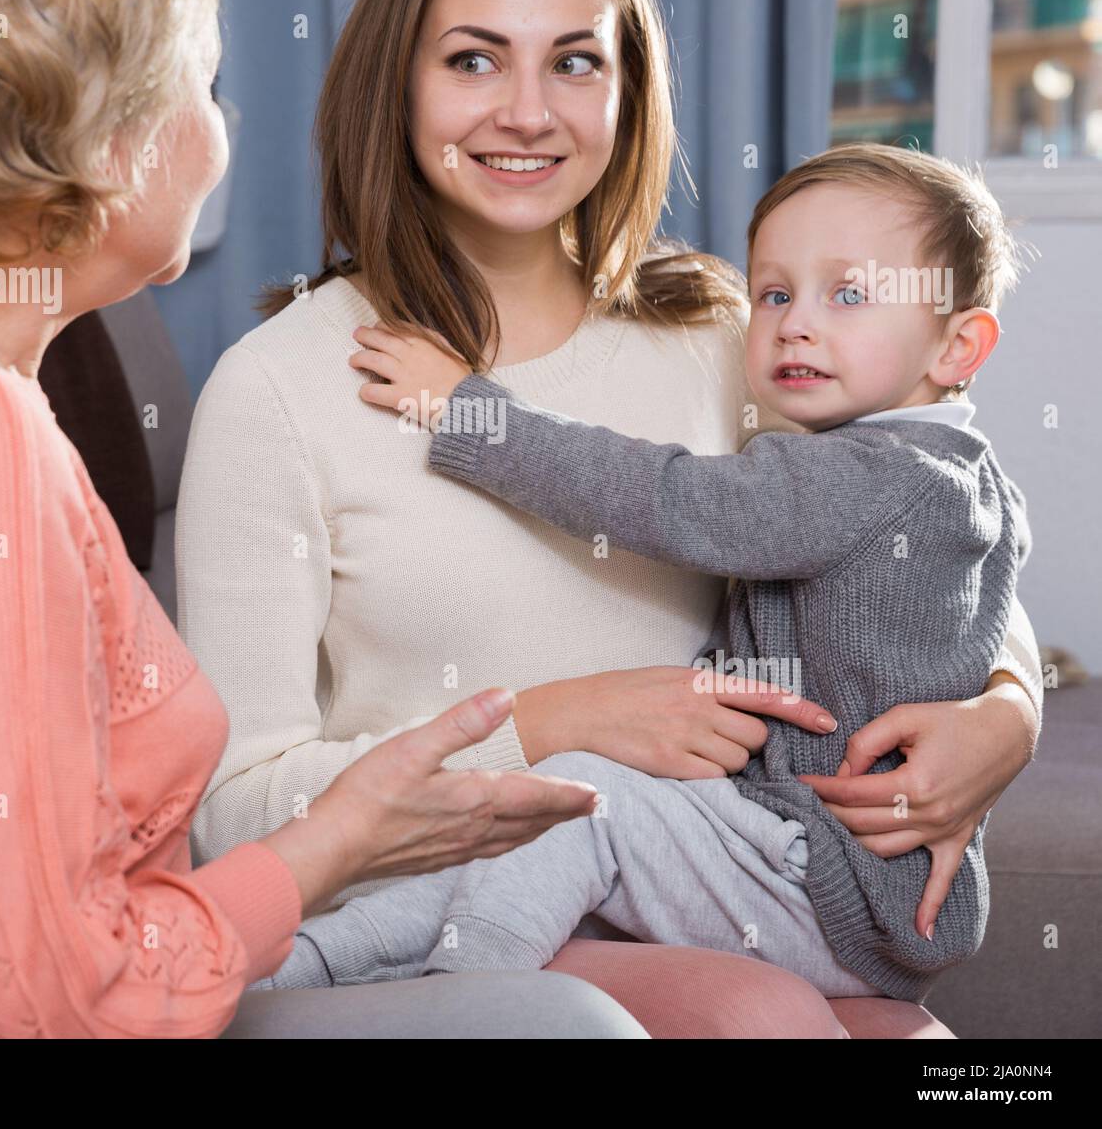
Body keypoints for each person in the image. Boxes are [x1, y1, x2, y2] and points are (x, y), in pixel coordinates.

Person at [0, 0, 643, 1040]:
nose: (223, 126)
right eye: (203, 83)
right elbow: (28, 1017)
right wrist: (340, 839)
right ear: (110, 138)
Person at [177, 0, 1045, 1037]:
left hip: (704, 880)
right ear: (394, 83)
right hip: (416, 910)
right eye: (473, 60)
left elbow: (915, 533)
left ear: (629, 93)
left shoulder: (723, 338)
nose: (526, 112)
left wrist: (1005, 712)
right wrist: (554, 721)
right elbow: (231, 821)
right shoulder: (280, 388)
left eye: (575, 62)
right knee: (760, 1018)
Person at [258, 143, 1032, 1004]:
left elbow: (665, 498)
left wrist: (468, 410)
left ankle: (466, 995)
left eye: (848, 295)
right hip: (846, 883)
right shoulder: (970, 476)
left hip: (818, 881)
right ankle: (309, 968)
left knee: (587, 809)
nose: (794, 323)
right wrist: (1013, 706)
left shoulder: (861, 475)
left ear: (960, 345)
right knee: (537, 832)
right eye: (774, 292)